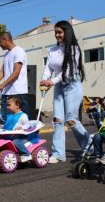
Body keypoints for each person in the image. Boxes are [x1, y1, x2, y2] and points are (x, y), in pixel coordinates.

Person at [39, 20, 91, 164]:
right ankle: (58, 153)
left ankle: (89, 144)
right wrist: (44, 80)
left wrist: (52, 81)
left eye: (60, 32)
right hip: (59, 87)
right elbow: (48, 67)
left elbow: (69, 71)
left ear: (67, 32)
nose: (57, 35)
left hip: (72, 86)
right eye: (55, 32)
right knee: (57, 120)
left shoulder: (74, 49)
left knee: (71, 119)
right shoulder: (52, 50)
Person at [0, 32, 28, 122]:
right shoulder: (6, 55)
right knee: (4, 119)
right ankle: (8, 136)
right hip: (6, 93)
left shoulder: (19, 51)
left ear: (5, 40)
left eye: (0, 42)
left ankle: (27, 136)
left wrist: (1, 85)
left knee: (21, 121)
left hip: (18, 92)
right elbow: (2, 73)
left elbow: (16, 73)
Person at [1, 96, 32, 162]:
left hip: (20, 137)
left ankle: (26, 154)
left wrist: (22, 127)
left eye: (9, 105)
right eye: (7, 105)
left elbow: (27, 125)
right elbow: (9, 125)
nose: (7, 107)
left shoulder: (23, 115)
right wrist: (2, 126)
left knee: (16, 141)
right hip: (10, 135)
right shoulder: (10, 115)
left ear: (17, 105)